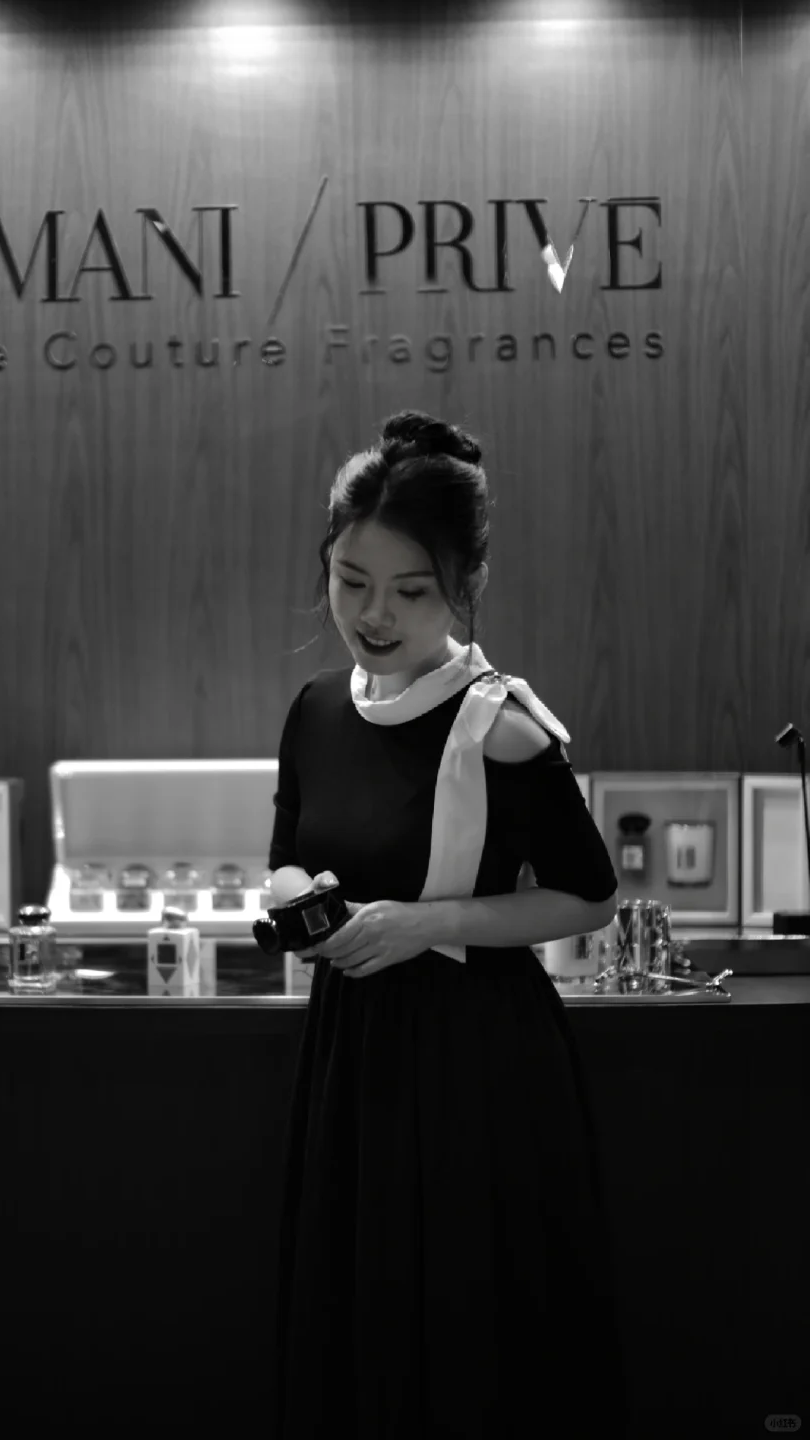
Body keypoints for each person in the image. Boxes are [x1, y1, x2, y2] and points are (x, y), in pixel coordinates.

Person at [268, 410, 629, 1439]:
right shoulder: (316, 709)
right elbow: (284, 854)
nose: (374, 614)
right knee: (362, 1319)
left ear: (465, 583)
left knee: (469, 1328)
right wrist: (299, 902)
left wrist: (424, 924)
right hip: (352, 1048)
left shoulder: (499, 724)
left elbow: (590, 895)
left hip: (477, 1056)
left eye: (411, 591)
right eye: (351, 582)